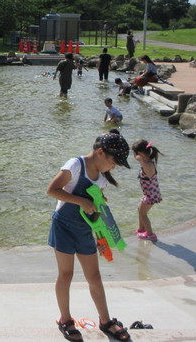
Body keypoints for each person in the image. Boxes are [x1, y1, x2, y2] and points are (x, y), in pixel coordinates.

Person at [47, 132, 132, 342]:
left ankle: (105, 320)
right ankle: (65, 320)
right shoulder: (76, 165)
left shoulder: (102, 179)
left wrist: (101, 239)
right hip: (63, 226)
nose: (114, 167)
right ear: (101, 152)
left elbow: (97, 212)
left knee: (94, 276)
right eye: (114, 162)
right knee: (66, 274)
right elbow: (52, 190)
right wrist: (80, 201)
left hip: (84, 229)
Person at [132, 139, 162, 241]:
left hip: (151, 195)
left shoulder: (148, 164)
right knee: (139, 210)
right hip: (149, 193)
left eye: (134, 153)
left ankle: (150, 234)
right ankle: (141, 229)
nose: (133, 155)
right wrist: (142, 162)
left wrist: (141, 162)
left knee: (143, 214)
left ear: (139, 153)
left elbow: (149, 174)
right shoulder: (147, 162)